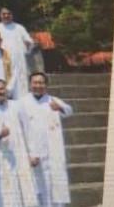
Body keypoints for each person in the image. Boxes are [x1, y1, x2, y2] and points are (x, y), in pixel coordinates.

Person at [19, 73, 73, 207]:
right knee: (36, 187)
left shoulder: (52, 100)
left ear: (46, 85)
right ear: (30, 84)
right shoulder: (22, 103)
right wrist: (28, 154)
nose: (38, 86)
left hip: (52, 151)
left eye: (41, 83)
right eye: (35, 83)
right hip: (33, 152)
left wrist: (60, 108)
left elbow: (69, 111)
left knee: (54, 186)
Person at [0, 80, 37, 207]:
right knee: (1, 187)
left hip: (19, 153)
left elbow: (28, 130)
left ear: (6, 90)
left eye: (1, 89)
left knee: (22, 185)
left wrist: (32, 153)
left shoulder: (17, 106)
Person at [0, 7, 34, 99]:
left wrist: (28, 44)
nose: (6, 16)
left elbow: (29, 42)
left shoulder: (19, 28)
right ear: (0, 15)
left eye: (9, 14)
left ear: (12, 15)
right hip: (1, 61)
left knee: (20, 87)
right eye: (4, 14)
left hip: (18, 61)